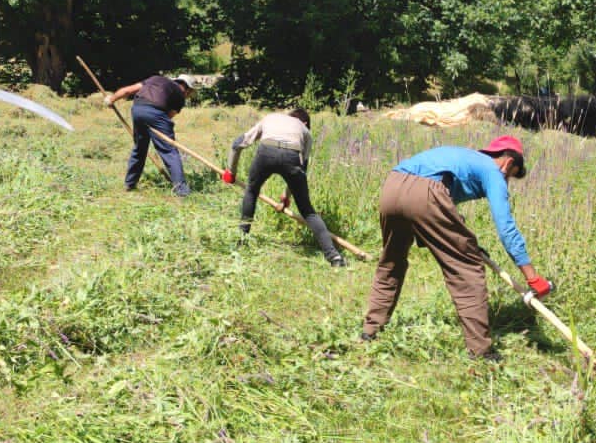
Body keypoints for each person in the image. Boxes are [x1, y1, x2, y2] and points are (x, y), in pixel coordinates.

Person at [360, 136, 553, 362]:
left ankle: (370, 331)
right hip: (425, 193)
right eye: (510, 176)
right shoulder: (493, 171)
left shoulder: (466, 157)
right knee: (467, 269)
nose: (506, 182)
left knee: (391, 261)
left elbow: (442, 204)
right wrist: (532, 278)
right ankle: (481, 351)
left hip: (392, 185)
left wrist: (465, 241)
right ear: (508, 162)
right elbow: (507, 230)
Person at [226, 107, 345, 266]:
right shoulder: (305, 131)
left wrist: (231, 172)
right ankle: (334, 257)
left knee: (252, 192)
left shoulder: (271, 118)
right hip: (292, 156)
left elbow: (237, 144)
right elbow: (302, 168)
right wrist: (286, 197)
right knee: (307, 211)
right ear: (305, 122)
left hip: (266, 151)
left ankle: (241, 241)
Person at [106, 73, 194, 196]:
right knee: (169, 151)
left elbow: (127, 91)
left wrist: (111, 99)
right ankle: (182, 190)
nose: (188, 95)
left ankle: (129, 184)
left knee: (139, 148)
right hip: (156, 114)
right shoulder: (179, 95)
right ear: (187, 88)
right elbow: (168, 117)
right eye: (190, 92)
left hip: (137, 109)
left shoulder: (155, 79)